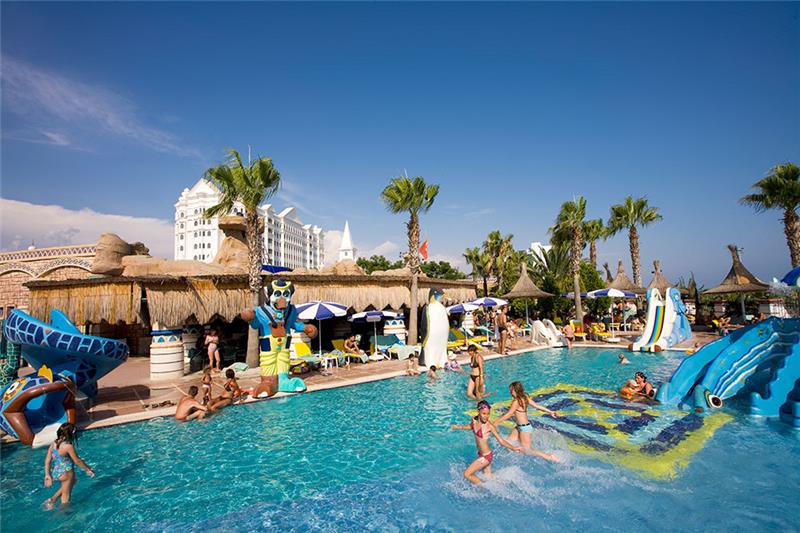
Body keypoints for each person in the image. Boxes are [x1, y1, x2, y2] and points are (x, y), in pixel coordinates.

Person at [450, 400, 523, 485]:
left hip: (486, 457)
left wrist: (513, 448)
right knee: (489, 478)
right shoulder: (474, 420)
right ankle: (505, 483)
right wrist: (459, 427)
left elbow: (501, 440)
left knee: (467, 474)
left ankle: (484, 488)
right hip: (481, 454)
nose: (486, 416)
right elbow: (471, 426)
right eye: (484, 413)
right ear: (478, 411)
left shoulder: (489, 426)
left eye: (488, 414)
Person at [492, 382, 560, 462]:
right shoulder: (525, 398)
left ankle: (549, 457)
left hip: (524, 428)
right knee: (508, 442)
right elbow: (537, 406)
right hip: (519, 427)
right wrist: (550, 411)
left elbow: (509, 414)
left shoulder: (516, 402)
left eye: (511, 390)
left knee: (528, 451)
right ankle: (512, 459)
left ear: (515, 390)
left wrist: (496, 422)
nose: (510, 392)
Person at [43, 423, 95, 509]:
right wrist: (88, 469)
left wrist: (47, 474)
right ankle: (63, 514)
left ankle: (52, 499)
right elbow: (77, 460)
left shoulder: (53, 444)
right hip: (67, 473)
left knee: (72, 482)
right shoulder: (68, 446)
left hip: (57, 472)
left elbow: (47, 461)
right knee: (66, 498)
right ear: (72, 432)